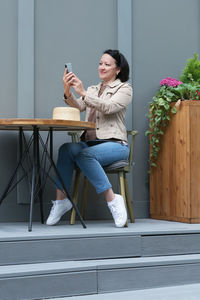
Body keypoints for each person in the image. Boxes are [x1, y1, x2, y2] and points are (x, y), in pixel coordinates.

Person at [46, 49, 132, 227]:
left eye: (107, 64)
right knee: (67, 149)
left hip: (116, 145)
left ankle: (113, 199)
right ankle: (61, 201)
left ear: (118, 70)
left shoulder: (124, 88)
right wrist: (67, 90)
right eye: (100, 63)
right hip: (91, 144)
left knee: (85, 155)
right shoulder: (93, 89)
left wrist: (84, 93)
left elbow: (109, 107)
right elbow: (77, 107)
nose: (102, 67)